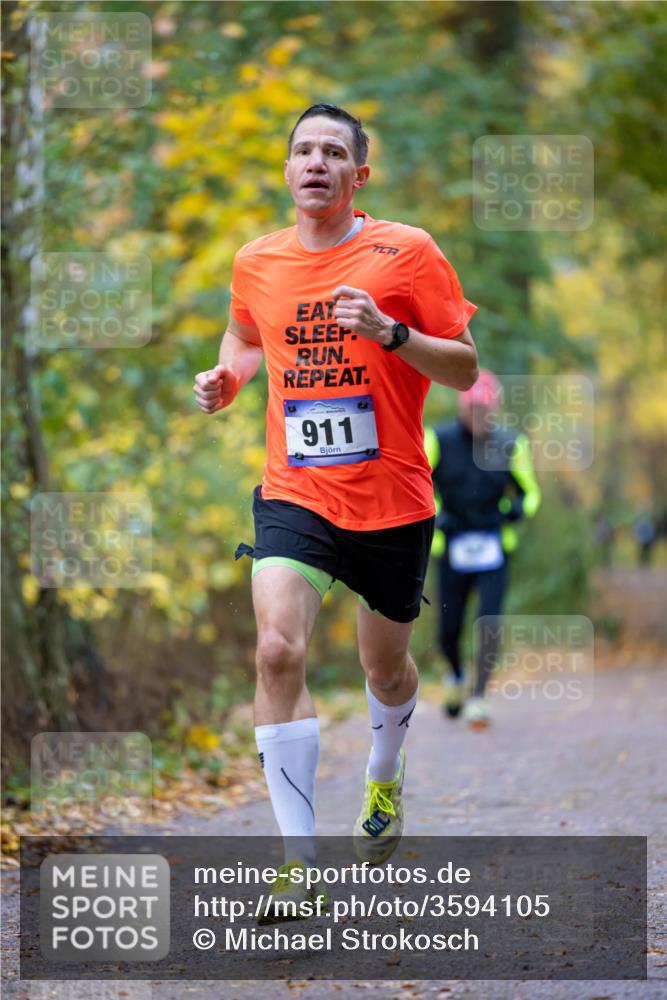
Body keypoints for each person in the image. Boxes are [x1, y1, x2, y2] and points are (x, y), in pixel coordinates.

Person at [193, 103, 478, 921]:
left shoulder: (407, 252)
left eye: (332, 152)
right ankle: (297, 865)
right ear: (286, 171)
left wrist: (391, 333)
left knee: (383, 668)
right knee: (277, 650)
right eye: (301, 151)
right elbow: (245, 338)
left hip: (391, 499)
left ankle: (383, 777)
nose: (314, 162)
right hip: (296, 492)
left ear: (360, 174)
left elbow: (461, 368)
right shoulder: (257, 261)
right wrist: (228, 380)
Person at [425, 370, 541, 729]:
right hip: (452, 548)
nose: (480, 416)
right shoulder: (438, 439)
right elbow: (418, 483)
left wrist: (517, 510)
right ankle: (457, 675)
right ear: (463, 408)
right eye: (473, 409)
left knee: (488, 623)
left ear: (496, 409)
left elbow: (530, 492)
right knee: (448, 630)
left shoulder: (511, 443)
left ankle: (478, 697)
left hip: (493, 548)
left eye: (486, 410)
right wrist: (438, 515)